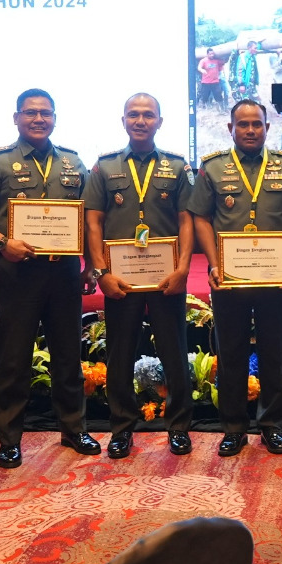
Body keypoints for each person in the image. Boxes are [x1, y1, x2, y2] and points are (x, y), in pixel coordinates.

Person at [0, 90, 101, 468]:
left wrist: (90, 264)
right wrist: (1, 242)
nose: (38, 119)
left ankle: (74, 428)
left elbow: (89, 216)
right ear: (17, 118)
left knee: (68, 356)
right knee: (13, 358)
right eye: (31, 113)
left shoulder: (73, 161)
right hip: (18, 272)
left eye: (45, 113)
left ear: (54, 118)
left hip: (64, 272)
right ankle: (9, 440)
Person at [189, 99, 282, 457]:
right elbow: (201, 218)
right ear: (231, 128)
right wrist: (214, 264)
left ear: (267, 128)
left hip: (275, 277)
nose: (251, 130)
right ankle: (234, 428)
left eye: (257, 124)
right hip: (230, 278)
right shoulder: (212, 168)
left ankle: (271, 425)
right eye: (243, 124)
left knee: (274, 350)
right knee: (231, 353)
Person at [85, 93, 194, 458]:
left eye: (148, 115)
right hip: (121, 279)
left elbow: (186, 220)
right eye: (134, 114)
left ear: (159, 121)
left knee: (174, 352)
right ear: (124, 121)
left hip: (167, 278)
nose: (141, 120)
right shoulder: (104, 167)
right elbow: (93, 222)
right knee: (119, 354)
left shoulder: (177, 167)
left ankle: (178, 427)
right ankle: (121, 429)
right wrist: (101, 272)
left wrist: (183, 269)